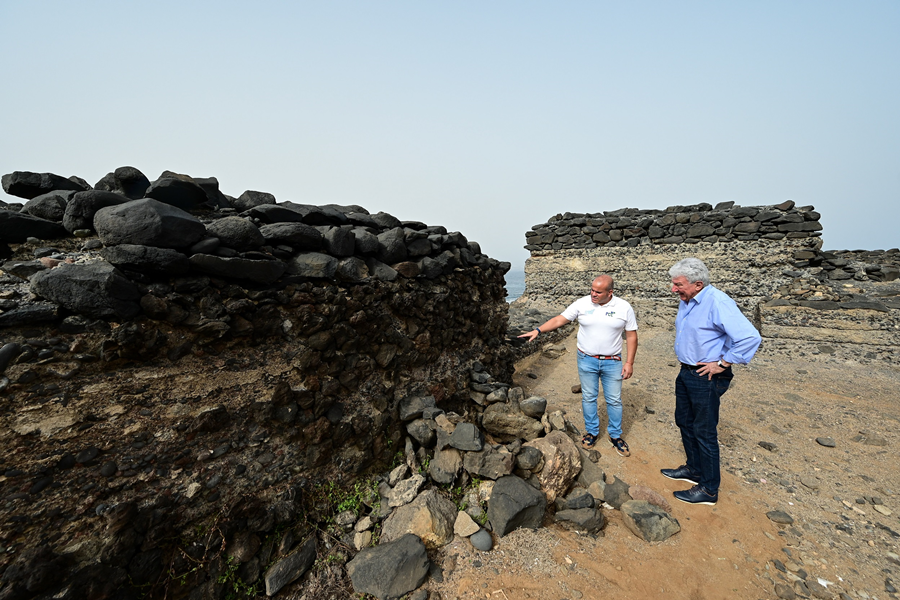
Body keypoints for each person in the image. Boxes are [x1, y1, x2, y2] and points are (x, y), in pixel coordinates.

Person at [661, 257, 761, 505]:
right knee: (684, 421)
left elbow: (749, 337)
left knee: (704, 431)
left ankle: (708, 489)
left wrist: (723, 363)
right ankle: (694, 470)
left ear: (697, 284)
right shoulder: (688, 300)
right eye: (673, 283)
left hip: (706, 375)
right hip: (687, 371)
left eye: (678, 284)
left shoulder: (718, 301)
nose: (673, 289)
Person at [518, 275, 638, 456]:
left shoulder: (623, 307)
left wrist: (629, 362)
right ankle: (592, 432)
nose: (593, 294)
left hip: (613, 361)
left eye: (598, 292)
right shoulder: (582, 303)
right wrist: (538, 330)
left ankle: (615, 436)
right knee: (589, 397)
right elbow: (560, 319)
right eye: (592, 290)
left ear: (610, 292)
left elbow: (631, 336)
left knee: (613, 399)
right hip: (586, 359)